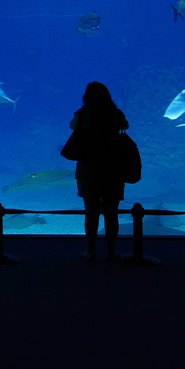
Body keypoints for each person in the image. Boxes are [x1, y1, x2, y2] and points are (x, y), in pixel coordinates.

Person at [69, 81, 129, 261]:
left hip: (90, 166)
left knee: (91, 211)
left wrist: (81, 114)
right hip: (112, 166)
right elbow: (125, 126)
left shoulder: (84, 114)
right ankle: (111, 251)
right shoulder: (115, 113)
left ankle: (91, 250)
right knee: (111, 212)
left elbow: (72, 126)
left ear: (86, 97)